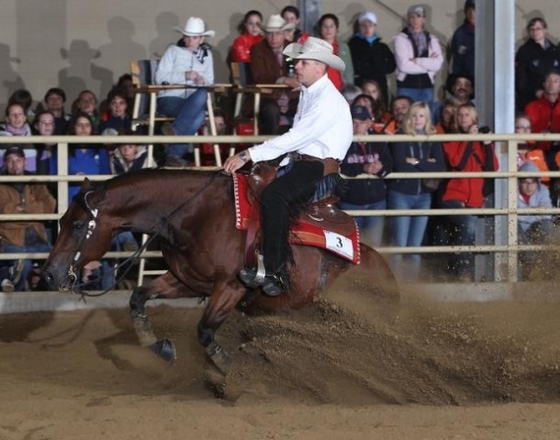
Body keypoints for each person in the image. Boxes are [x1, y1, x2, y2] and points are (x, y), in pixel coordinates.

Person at [224, 37, 352, 296]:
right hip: (304, 163)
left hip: (318, 171)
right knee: (259, 186)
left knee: (275, 195)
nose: (297, 66)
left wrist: (250, 154)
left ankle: (276, 271)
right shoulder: (310, 93)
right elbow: (298, 139)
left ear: (320, 67)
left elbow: (298, 137)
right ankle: (258, 257)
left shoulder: (327, 100)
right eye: (298, 61)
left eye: (303, 62)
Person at [440, 103, 499, 281]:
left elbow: (492, 168)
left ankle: (457, 273)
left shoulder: (481, 142)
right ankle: (464, 273)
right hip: (453, 195)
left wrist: (488, 145)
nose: (463, 118)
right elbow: (459, 163)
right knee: (467, 225)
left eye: (467, 115)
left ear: (475, 119)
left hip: (473, 198)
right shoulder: (450, 140)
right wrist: (470, 139)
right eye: (460, 115)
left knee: (463, 233)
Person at [387, 101, 445, 281]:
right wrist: (428, 163)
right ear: (408, 117)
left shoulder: (432, 138)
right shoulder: (400, 135)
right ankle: (395, 287)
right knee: (400, 246)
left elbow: (440, 167)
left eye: (422, 116)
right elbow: (401, 164)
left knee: (415, 248)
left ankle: (411, 286)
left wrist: (418, 162)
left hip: (424, 195)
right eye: (414, 115)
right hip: (401, 194)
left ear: (427, 118)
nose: (418, 119)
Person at [155, 17, 215, 163]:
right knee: (199, 114)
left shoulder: (207, 56)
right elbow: (160, 77)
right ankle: (175, 154)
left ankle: (174, 131)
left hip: (192, 101)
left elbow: (210, 80)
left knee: (202, 96)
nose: (189, 41)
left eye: (194, 37)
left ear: (201, 39)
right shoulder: (173, 51)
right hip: (170, 99)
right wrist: (185, 76)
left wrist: (202, 80)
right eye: (187, 37)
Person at [0, 146, 56, 291]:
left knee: (58, 262)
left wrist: (17, 210)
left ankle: (41, 296)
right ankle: (13, 304)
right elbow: (3, 213)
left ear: (25, 162)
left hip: (39, 239)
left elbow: (49, 206)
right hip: (11, 241)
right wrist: (33, 213)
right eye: (10, 160)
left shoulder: (35, 180)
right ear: (4, 163)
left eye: (18, 160)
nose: (14, 164)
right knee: (24, 265)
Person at [340, 105, 392, 247]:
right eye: (354, 122)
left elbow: (389, 165)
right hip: (351, 201)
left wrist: (380, 169)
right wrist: (363, 167)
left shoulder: (378, 140)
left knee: (372, 247)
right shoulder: (341, 140)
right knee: (352, 247)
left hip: (375, 201)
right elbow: (339, 167)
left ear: (369, 123)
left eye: (361, 122)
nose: (357, 126)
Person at [249, 14, 299, 135]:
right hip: (267, 97)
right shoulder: (258, 49)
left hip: (292, 97)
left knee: (309, 107)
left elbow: (301, 72)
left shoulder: (293, 48)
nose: (273, 37)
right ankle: (272, 151)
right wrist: (284, 80)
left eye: (278, 33)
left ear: (284, 33)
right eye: (270, 33)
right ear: (265, 34)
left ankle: (302, 150)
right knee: (271, 110)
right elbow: (259, 76)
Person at [392, 5, 444, 104]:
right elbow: (404, 66)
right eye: (412, 17)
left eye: (418, 16)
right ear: (408, 19)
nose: (415, 20)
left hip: (427, 85)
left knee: (426, 116)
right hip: (406, 85)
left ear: (424, 19)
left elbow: (437, 64)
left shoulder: (432, 38)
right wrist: (428, 66)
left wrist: (417, 61)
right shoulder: (400, 39)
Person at [348, 11, 396, 108]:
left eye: (370, 25)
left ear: (375, 27)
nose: (367, 28)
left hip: (380, 86)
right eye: (363, 25)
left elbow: (391, 67)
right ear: (359, 27)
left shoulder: (382, 47)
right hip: (360, 85)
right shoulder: (352, 46)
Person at [517, 161, 553, 280]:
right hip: (519, 230)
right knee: (512, 227)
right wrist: (535, 212)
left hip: (534, 229)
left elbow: (547, 216)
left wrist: (522, 212)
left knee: (547, 227)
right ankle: (532, 267)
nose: (528, 186)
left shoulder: (543, 190)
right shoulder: (512, 192)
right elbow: (512, 218)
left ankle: (547, 272)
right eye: (525, 182)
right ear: (519, 182)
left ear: (537, 182)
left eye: (532, 182)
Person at [515, 17, 560, 112]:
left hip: (554, 99)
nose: (535, 32)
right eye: (532, 29)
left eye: (538, 28)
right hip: (532, 100)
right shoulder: (524, 51)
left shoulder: (555, 51)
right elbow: (520, 78)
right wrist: (535, 92)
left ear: (545, 29)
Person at [315, 13, 354, 90]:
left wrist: (350, 89)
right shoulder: (314, 46)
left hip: (339, 89)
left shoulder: (343, 47)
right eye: (325, 26)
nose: (328, 29)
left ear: (336, 29)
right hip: (319, 88)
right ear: (320, 29)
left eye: (331, 26)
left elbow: (348, 71)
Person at [524, 70, 560, 152]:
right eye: (548, 81)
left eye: (556, 81)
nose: (551, 84)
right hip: (536, 151)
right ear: (543, 84)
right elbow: (526, 132)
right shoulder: (531, 107)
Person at [0, 103, 36, 172]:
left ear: (25, 118)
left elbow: (31, 170)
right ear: (7, 119)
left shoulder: (34, 134)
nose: (17, 117)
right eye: (13, 114)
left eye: (20, 114)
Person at [450, 0, 476, 79]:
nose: (471, 14)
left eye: (475, 10)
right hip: (466, 82)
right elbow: (456, 61)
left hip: (487, 81)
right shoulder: (459, 34)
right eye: (469, 10)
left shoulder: (490, 32)